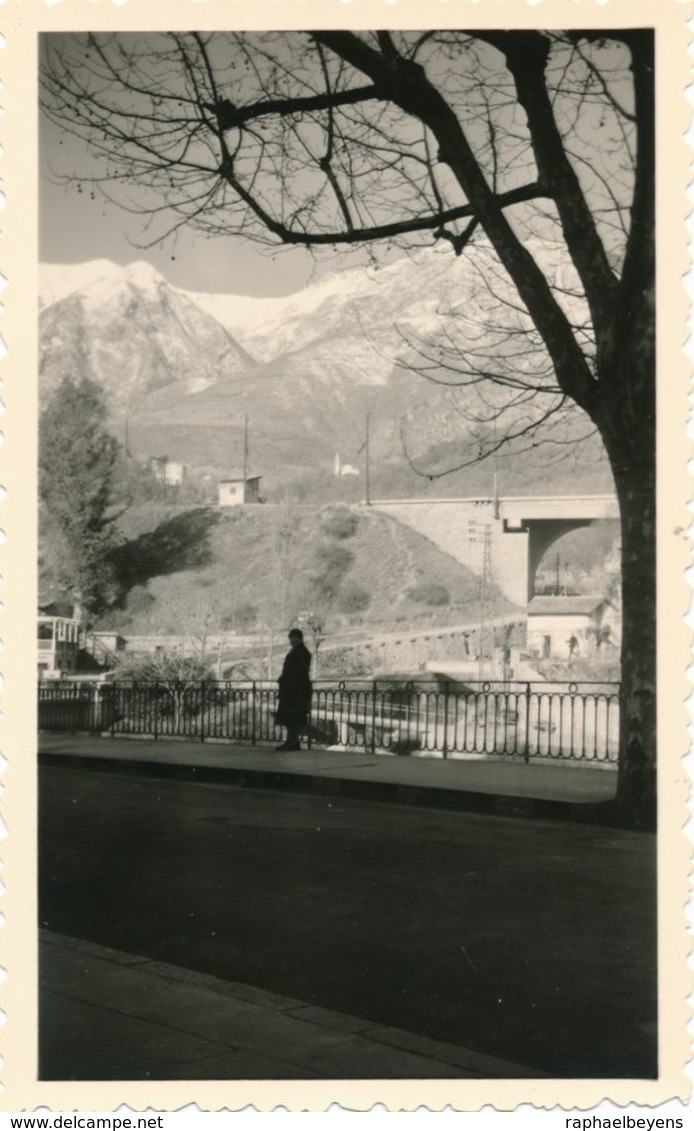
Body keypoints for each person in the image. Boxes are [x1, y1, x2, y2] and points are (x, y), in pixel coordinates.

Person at [275, 628, 312, 751]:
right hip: (295, 690)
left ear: (300, 638)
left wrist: (284, 679)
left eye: (294, 638)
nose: (292, 640)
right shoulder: (300, 651)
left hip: (295, 691)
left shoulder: (299, 652)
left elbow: (296, 672)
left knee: (292, 719)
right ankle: (292, 742)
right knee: (293, 718)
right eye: (291, 638)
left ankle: (291, 742)